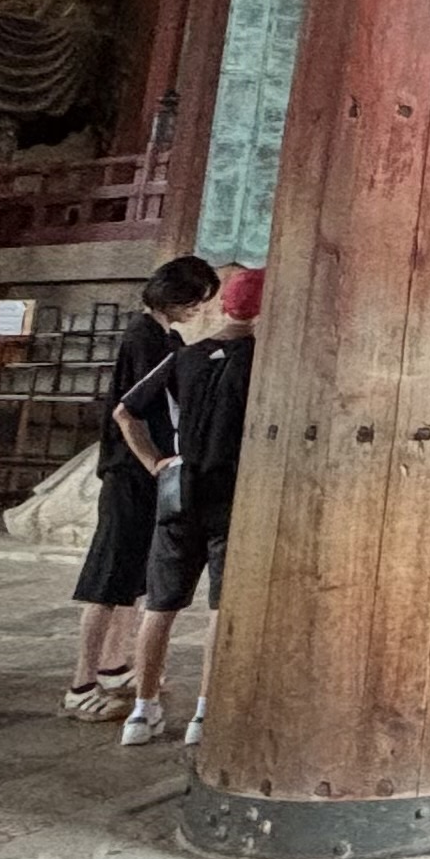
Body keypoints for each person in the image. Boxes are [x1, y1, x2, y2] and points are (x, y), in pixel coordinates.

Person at [109, 264, 260, 749]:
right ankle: (204, 714)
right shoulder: (261, 362)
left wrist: (156, 463)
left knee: (160, 605)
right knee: (222, 608)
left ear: (223, 307)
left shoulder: (185, 356)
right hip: (232, 494)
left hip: (180, 490)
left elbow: (125, 411)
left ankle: (142, 710)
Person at [65, 254, 220, 720]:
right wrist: (152, 460)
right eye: (194, 300)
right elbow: (132, 410)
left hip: (151, 472)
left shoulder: (167, 338)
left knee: (134, 575)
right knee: (107, 576)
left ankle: (114, 665)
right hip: (130, 470)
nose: (198, 309)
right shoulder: (144, 338)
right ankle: (80, 683)